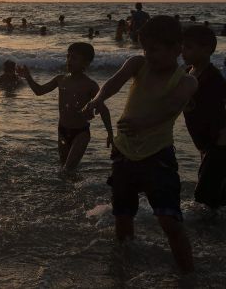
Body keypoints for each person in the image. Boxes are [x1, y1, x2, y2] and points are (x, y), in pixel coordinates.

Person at [84, 16, 198, 275]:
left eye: (154, 50)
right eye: (145, 48)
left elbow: (171, 108)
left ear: (176, 49)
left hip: (157, 156)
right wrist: (97, 99)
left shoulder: (186, 81)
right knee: (123, 215)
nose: (148, 55)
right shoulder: (138, 64)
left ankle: (188, 274)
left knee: (169, 220)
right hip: (124, 152)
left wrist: (143, 123)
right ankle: (124, 268)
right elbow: (114, 82)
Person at [180, 26, 226, 210]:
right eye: (182, 46)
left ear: (206, 50)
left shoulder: (212, 76)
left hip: (220, 147)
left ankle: (207, 236)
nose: (183, 51)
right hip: (207, 148)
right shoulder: (187, 72)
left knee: (202, 200)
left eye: (189, 47)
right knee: (219, 203)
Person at [19, 43, 113, 172]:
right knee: (64, 168)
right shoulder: (60, 79)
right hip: (62, 130)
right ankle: (69, 190)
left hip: (81, 133)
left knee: (68, 169)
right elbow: (39, 91)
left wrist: (110, 133)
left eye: (74, 58)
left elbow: (103, 109)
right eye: (68, 56)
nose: (69, 61)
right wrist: (28, 77)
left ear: (85, 63)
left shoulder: (90, 85)